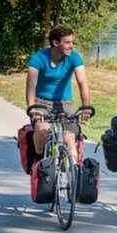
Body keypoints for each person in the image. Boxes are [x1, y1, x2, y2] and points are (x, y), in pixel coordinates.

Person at [26, 26, 92, 163]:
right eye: (67, 42)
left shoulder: (73, 57)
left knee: (70, 139)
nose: (71, 46)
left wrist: (86, 107)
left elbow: (82, 82)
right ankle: (38, 162)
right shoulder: (38, 58)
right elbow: (31, 84)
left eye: (72, 42)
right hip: (42, 102)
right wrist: (32, 107)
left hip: (64, 103)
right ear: (56, 43)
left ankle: (73, 176)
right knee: (42, 129)